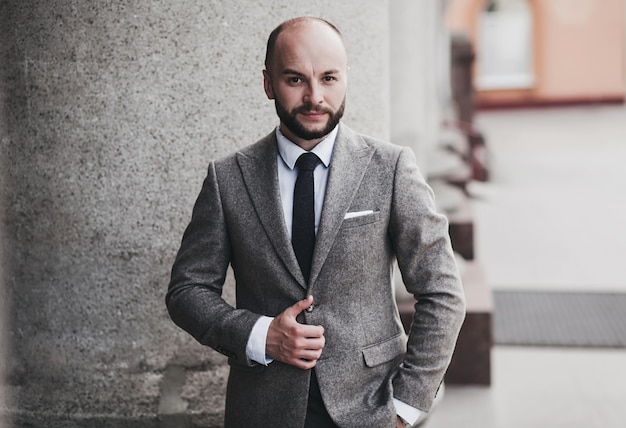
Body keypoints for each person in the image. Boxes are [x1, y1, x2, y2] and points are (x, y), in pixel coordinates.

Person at [166, 16, 465, 428]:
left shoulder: (391, 168)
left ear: (345, 79)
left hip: (371, 408)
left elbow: (443, 292)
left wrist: (405, 409)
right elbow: (187, 291)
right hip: (263, 411)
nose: (314, 96)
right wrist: (259, 334)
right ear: (269, 83)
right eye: (295, 80)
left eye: (328, 78)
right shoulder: (228, 178)